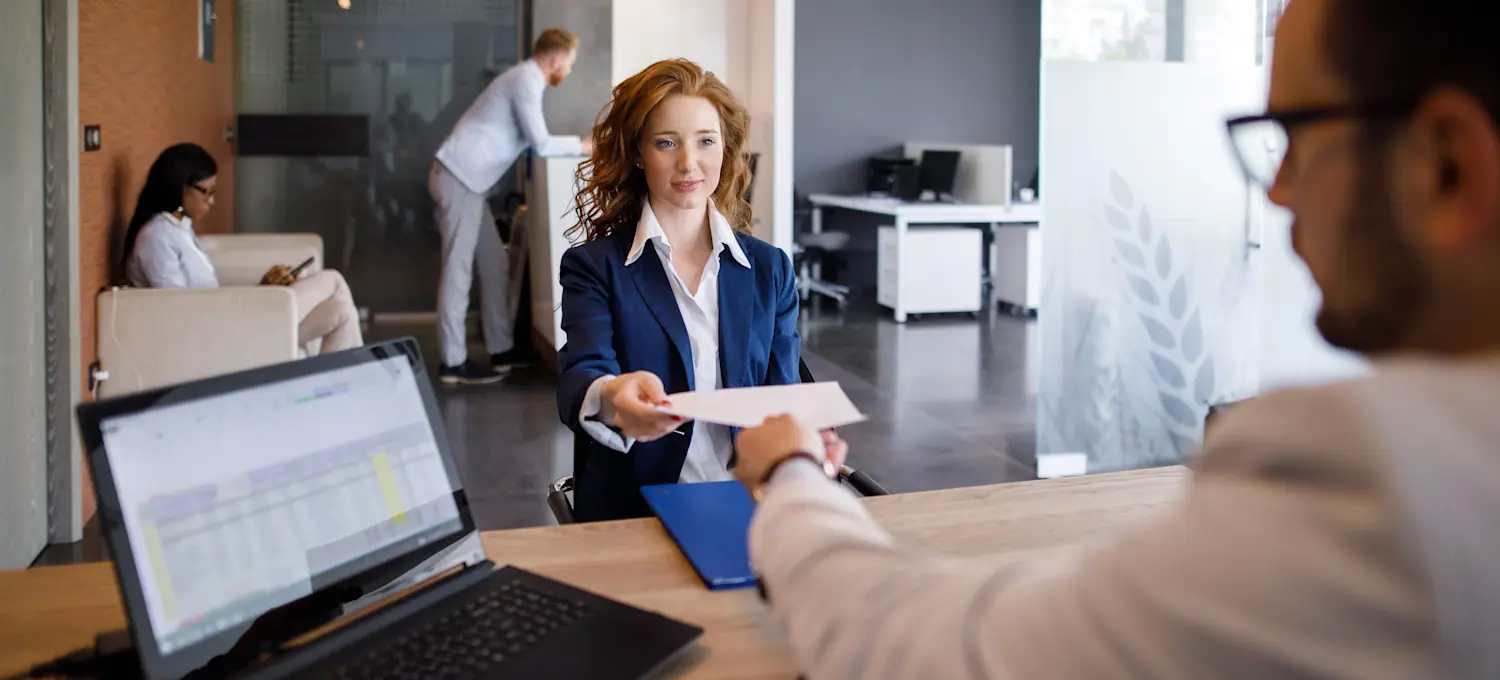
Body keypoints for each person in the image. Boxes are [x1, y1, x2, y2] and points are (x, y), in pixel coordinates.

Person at [733, 0, 1500, 677]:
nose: (1275, 189)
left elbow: (931, 653)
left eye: (1294, 136)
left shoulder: (1372, 477)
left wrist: (795, 475)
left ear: (1449, 165)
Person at [556, 59, 801, 522]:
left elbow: (782, 395)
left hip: (749, 506)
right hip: (636, 511)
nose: (689, 163)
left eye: (706, 141)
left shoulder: (770, 270)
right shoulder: (594, 268)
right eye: (666, 143)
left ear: (726, 148)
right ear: (637, 153)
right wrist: (613, 396)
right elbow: (580, 374)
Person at [430, 27, 595, 385]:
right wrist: (583, 146)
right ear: (555, 60)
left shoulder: (525, 80)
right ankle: (452, 362)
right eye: (568, 65)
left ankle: (501, 349)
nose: (567, 72)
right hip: (458, 177)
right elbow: (540, 142)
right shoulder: (526, 80)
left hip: (470, 185)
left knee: (495, 264)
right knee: (458, 270)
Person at [123, 143, 364, 355]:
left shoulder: (178, 229)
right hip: (220, 333)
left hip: (230, 321)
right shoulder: (156, 237)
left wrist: (262, 290)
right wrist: (258, 297)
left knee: (341, 313)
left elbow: (203, 295)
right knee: (333, 279)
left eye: (214, 192)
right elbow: (180, 309)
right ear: (178, 187)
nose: (211, 201)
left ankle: (340, 392)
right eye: (206, 192)